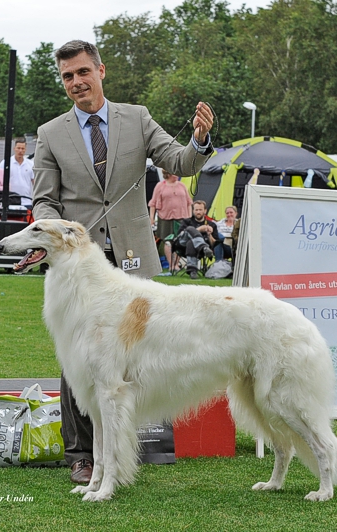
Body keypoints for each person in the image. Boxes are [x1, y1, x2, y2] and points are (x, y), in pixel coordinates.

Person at [33, 40, 214, 484]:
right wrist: (54, 231)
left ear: (101, 71)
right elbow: (43, 201)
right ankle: (81, 455)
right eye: (67, 77)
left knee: (143, 354)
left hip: (135, 257)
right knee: (79, 360)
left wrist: (199, 139)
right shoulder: (50, 133)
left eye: (82, 73)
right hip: (83, 268)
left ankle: (135, 446)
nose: (76, 83)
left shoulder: (137, 118)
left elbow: (178, 161)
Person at [148, 169, 193, 272]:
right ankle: (171, 265)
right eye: (174, 173)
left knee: (179, 241)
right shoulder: (160, 186)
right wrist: (151, 218)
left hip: (181, 217)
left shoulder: (181, 186)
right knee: (167, 241)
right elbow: (153, 203)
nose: (177, 175)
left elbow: (189, 202)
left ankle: (176, 264)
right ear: (168, 174)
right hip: (165, 217)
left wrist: (189, 217)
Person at [174, 200, 220, 279]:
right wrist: (199, 229)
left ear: (205, 211)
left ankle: (193, 271)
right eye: (196, 210)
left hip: (199, 251)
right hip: (182, 246)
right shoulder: (186, 221)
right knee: (189, 228)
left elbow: (214, 244)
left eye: (200, 210)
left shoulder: (212, 225)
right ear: (193, 211)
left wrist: (209, 235)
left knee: (191, 243)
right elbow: (180, 235)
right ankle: (203, 246)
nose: (198, 212)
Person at [0, 138, 34, 207]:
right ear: (14, 148)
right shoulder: (5, 163)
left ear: (25, 150)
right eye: (18, 148)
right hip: (10, 200)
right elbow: (0, 180)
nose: (20, 151)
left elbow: (35, 182)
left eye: (22, 148)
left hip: (27, 201)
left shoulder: (31, 164)